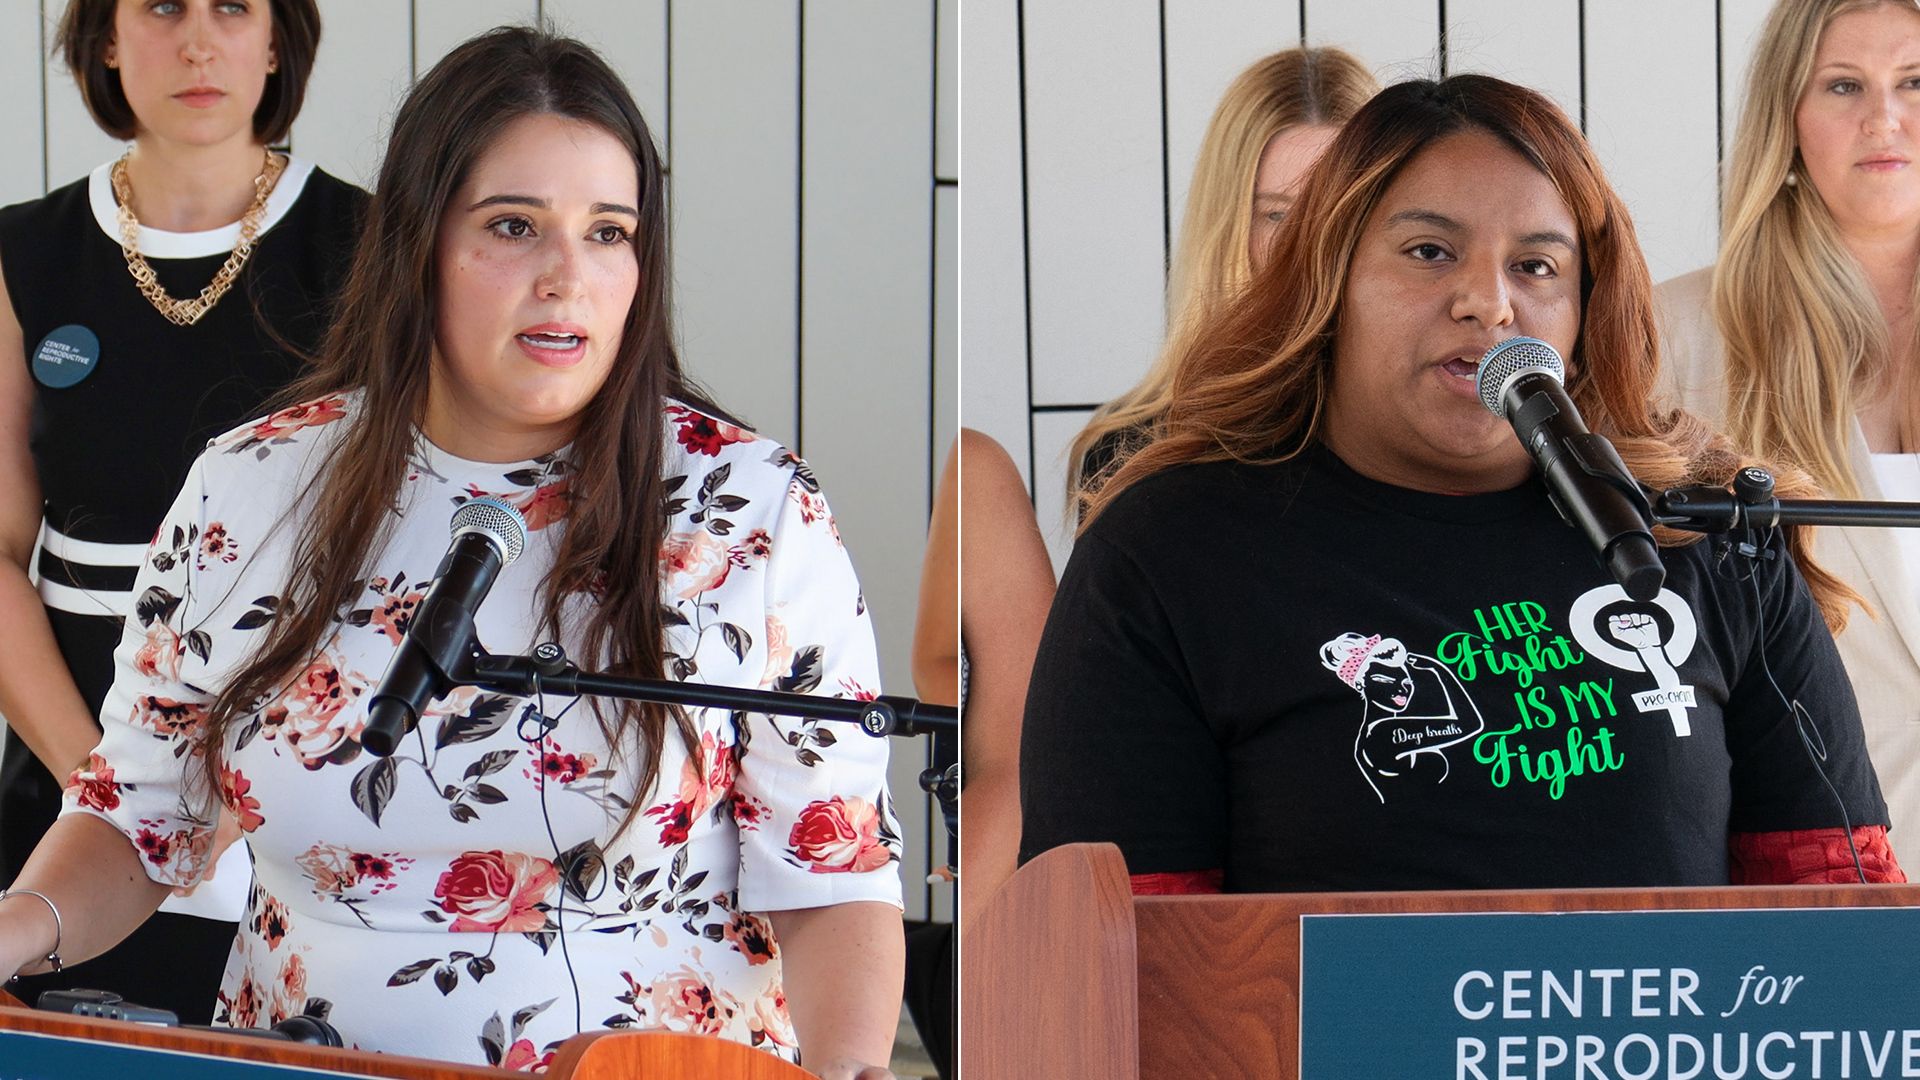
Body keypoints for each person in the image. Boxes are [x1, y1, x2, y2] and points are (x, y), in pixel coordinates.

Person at [0, 27, 903, 1078]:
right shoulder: (251, 484)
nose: (567, 276)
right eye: (514, 226)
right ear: (416, 243)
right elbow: (144, 810)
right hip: (297, 1058)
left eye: (608, 233)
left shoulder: (748, 506)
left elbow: (832, 874)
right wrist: (19, 923)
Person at [1020, 73, 1905, 895]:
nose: (1489, 301)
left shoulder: (1702, 532)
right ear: (1328, 281)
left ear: (1585, 309)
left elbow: (1838, 914)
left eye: (1537, 266)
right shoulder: (1168, 552)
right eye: (1431, 251)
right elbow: (1112, 960)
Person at [0, 0, 361, 1023]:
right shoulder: (25, 255)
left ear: (278, 37)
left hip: (301, 768)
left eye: (232, 7)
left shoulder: (372, 248)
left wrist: (243, 806)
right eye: (161, 6)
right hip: (75, 752)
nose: (198, 41)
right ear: (107, 38)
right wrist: (110, 796)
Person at [1657, 0, 1920, 871]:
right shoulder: (1674, 338)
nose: (1885, 117)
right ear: (1787, 118)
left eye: (1915, 82)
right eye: (1844, 85)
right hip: (1812, 876)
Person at [1067, 46, 1378, 509]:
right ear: (1228, 224)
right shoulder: (1135, 449)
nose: (1309, 244)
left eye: (1338, 212)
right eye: (1278, 215)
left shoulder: (1433, 428)